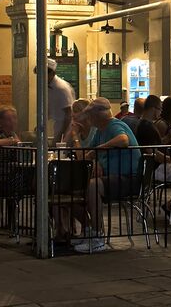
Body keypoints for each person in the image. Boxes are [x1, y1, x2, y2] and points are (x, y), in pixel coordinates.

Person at [76, 97, 141, 253]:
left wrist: (99, 150)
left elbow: (123, 140)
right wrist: (76, 137)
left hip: (129, 178)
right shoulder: (100, 131)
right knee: (73, 188)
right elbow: (86, 156)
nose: (88, 118)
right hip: (114, 177)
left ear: (98, 115)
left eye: (90, 114)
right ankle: (88, 230)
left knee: (92, 186)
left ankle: (98, 237)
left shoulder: (115, 125)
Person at [42, 58, 75, 142]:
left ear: (52, 73)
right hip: (58, 125)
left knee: (61, 153)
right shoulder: (49, 86)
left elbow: (69, 113)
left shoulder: (61, 88)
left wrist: (62, 135)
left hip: (66, 128)